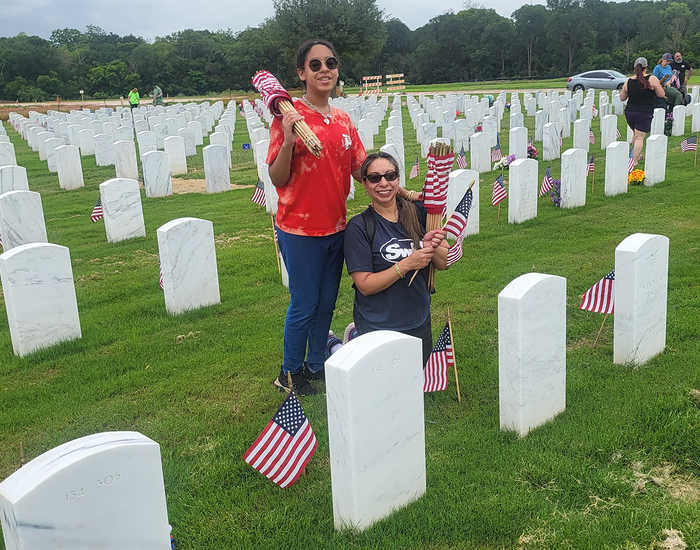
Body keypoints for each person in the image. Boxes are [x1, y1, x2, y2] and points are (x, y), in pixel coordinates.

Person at [266, 38, 366, 395]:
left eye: (330, 63)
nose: (325, 70)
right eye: (315, 65)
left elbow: (360, 168)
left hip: (335, 226)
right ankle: (289, 373)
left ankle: (315, 364)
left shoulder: (342, 119)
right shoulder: (288, 116)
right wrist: (290, 138)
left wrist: (395, 188)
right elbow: (277, 178)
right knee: (304, 303)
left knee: (326, 302)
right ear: (301, 73)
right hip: (300, 229)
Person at [344, 151, 449, 366]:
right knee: (381, 389)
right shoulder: (359, 227)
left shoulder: (419, 213)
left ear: (398, 179)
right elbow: (364, 285)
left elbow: (443, 263)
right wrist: (406, 264)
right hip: (377, 324)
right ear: (364, 184)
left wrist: (434, 244)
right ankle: (348, 339)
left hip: (417, 320)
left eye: (390, 176)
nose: (383, 183)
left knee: (412, 387)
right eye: (375, 178)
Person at [620, 57, 665, 164]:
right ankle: (634, 162)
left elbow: (622, 97)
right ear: (646, 67)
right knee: (640, 137)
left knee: (636, 134)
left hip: (630, 112)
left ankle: (636, 155)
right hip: (644, 112)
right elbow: (661, 94)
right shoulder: (652, 79)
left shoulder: (628, 80)